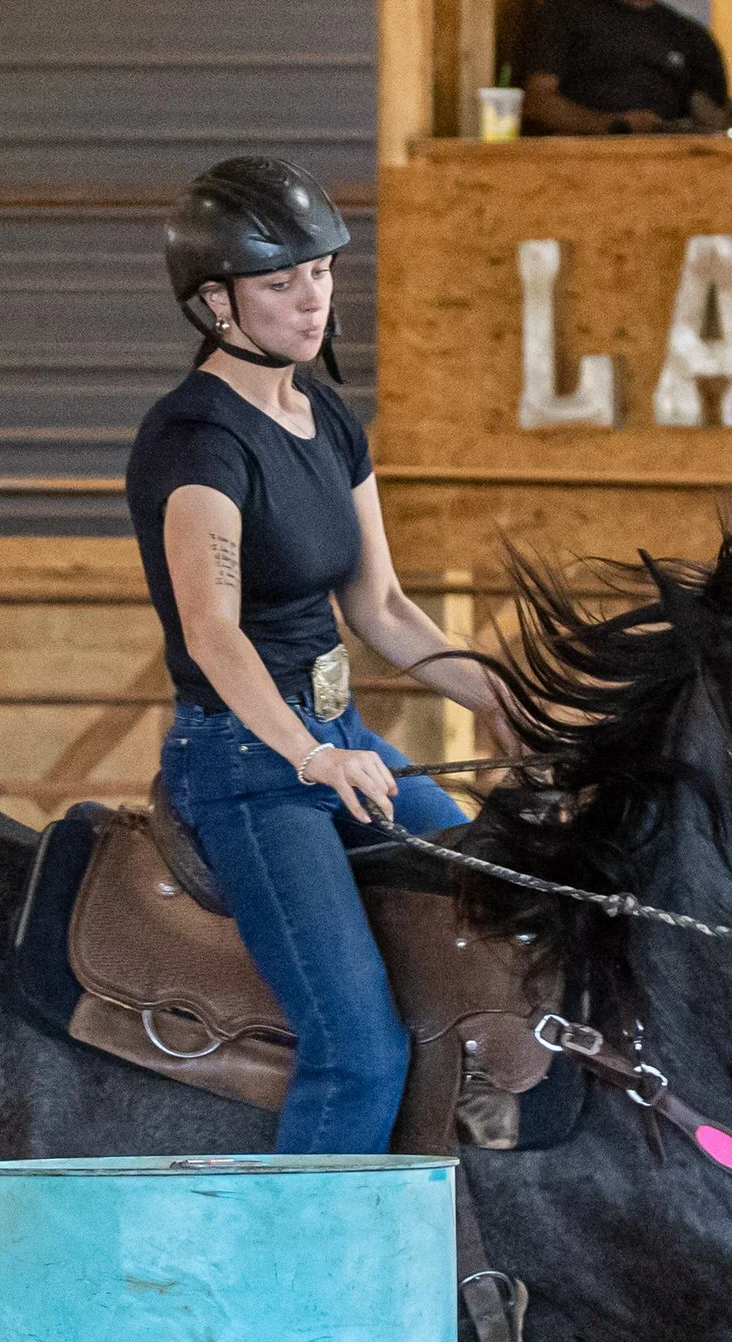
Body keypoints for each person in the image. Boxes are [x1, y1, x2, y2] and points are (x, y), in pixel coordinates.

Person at [128, 157, 512, 1156]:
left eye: (322, 272)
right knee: (358, 1050)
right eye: (281, 282)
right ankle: (301, 1250)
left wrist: (500, 696)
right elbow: (212, 632)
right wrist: (310, 755)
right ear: (215, 303)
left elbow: (380, 605)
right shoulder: (194, 441)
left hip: (343, 737)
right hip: (249, 765)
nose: (314, 299)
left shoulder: (328, 416)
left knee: (498, 909)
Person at [521, 0, 732, 135]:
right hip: (578, 158)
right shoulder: (563, 13)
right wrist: (614, 126)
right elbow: (536, 102)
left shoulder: (692, 36)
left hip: (672, 161)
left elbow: (714, 119)